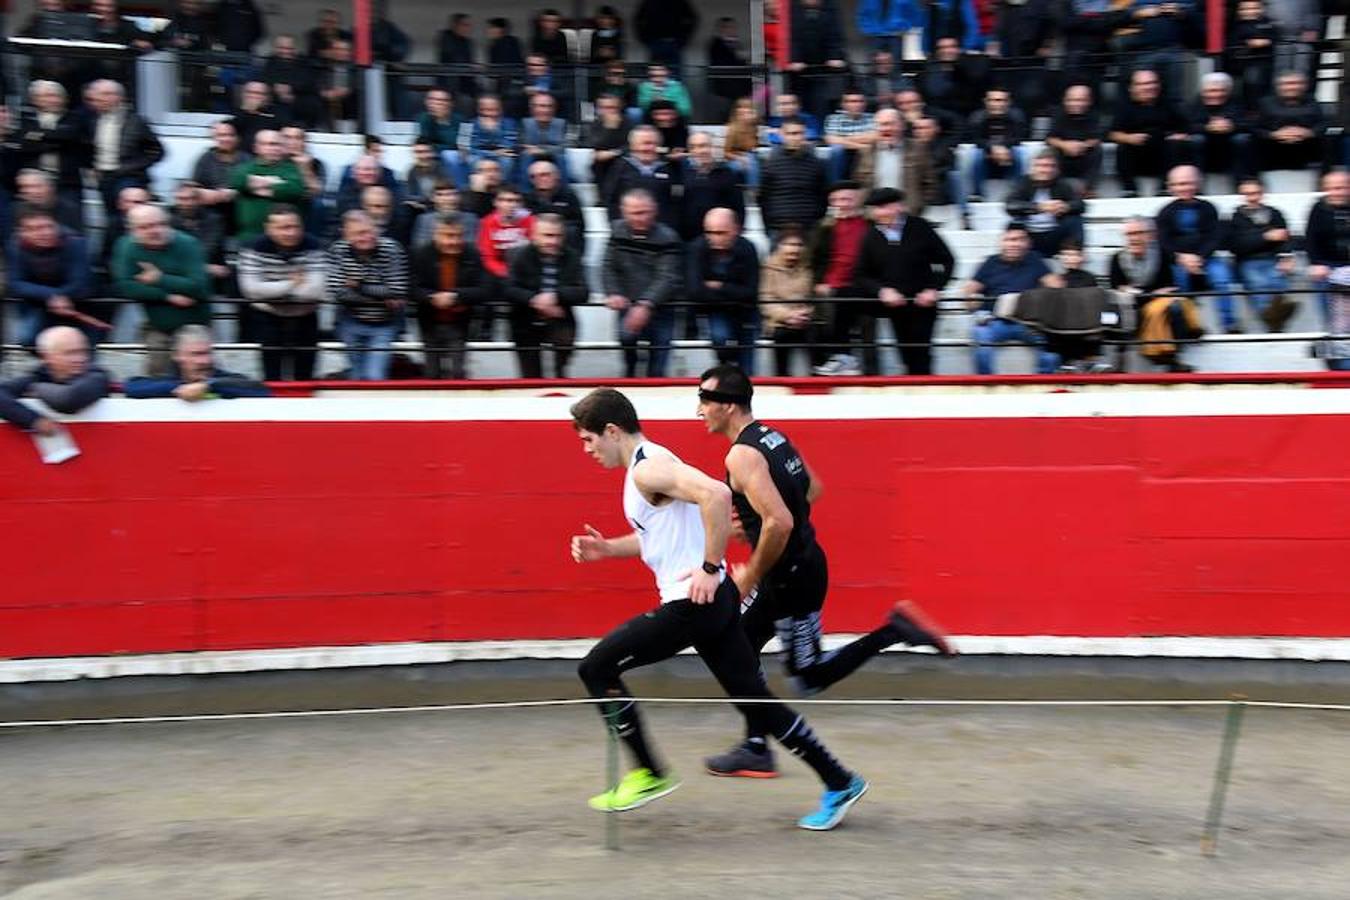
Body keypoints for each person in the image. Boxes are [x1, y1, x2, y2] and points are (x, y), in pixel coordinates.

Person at [568, 387, 868, 829]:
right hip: (717, 600)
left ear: (612, 431)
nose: (587, 450)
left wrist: (708, 567)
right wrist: (607, 549)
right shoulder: (653, 460)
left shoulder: (647, 470)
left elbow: (716, 495)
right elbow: (661, 536)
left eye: (588, 440)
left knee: (595, 668)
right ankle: (839, 780)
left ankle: (648, 772)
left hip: (692, 604)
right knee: (756, 701)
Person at [696, 364, 955, 777]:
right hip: (796, 566)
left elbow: (780, 522)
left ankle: (894, 631)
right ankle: (756, 746)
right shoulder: (773, 437)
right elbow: (811, 490)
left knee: (808, 677)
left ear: (727, 407)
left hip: (791, 578)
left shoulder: (741, 455)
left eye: (705, 401)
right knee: (738, 644)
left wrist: (750, 572)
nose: (699, 411)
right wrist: (763, 521)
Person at [851, 187, 955, 376]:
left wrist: (934, 288)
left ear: (897, 207)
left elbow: (947, 260)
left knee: (921, 354)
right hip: (895, 305)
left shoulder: (920, 227)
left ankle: (924, 391)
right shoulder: (870, 236)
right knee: (905, 354)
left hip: (923, 303)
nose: (879, 213)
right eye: (875, 208)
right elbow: (861, 274)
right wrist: (882, 291)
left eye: (883, 207)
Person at [111, 204, 212, 376]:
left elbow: (198, 287)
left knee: (197, 369)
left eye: (160, 224)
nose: (155, 231)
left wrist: (159, 278)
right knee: (157, 372)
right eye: (145, 227)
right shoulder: (126, 246)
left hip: (193, 323)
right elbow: (126, 286)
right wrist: (167, 296)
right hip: (157, 324)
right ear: (132, 230)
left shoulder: (187, 244)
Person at [238, 205, 327, 381]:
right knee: (272, 377)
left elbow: (316, 290)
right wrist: (291, 284)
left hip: (306, 319)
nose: (291, 233)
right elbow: (251, 290)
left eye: (295, 227)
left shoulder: (315, 246)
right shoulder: (252, 248)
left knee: (306, 378)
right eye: (283, 228)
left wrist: (271, 289)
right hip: (268, 319)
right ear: (268, 228)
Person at [603, 189, 682, 377]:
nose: (639, 218)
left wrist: (646, 304)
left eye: (644, 212)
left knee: (658, 364)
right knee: (626, 344)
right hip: (628, 303)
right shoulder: (616, 231)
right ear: (623, 211)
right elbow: (608, 266)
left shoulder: (668, 237)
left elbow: (667, 277)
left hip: (662, 307)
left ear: (654, 211)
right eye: (634, 213)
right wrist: (614, 292)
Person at [1155, 165, 1239, 333]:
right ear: (1171, 187)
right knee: (1180, 281)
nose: (1184, 188)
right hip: (1179, 260)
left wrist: (1199, 257)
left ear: (1197, 184)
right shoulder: (1165, 212)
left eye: (1187, 183)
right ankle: (1190, 324)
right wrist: (1181, 258)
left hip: (1206, 258)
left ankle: (1229, 324)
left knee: (1222, 277)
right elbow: (1164, 242)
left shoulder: (1209, 208)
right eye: (1179, 184)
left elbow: (1214, 237)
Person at [964, 224, 1058, 375]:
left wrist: (1042, 300)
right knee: (981, 334)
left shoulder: (1035, 260)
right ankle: (987, 384)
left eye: (1020, 239)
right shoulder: (990, 262)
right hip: (996, 321)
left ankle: (1044, 383)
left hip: (1029, 322)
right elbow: (970, 290)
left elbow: (1056, 286)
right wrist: (975, 307)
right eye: (1009, 239)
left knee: (1053, 339)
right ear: (1002, 242)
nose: (1014, 244)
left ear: (1028, 243)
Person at [328, 210, 409, 380]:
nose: (368, 237)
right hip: (350, 322)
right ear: (346, 235)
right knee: (357, 378)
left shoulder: (392, 248)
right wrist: (381, 296)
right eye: (360, 233)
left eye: (372, 231)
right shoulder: (338, 250)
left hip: (384, 324)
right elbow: (338, 293)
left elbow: (397, 290)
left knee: (375, 377)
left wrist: (360, 286)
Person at [504, 213, 585, 378]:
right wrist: (536, 301)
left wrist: (555, 297)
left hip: (560, 319)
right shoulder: (519, 255)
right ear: (534, 235)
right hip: (525, 319)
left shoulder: (572, 257)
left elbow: (583, 292)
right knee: (531, 376)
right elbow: (508, 289)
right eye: (548, 236)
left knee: (561, 370)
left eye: (558, 236)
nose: (553, 241)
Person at [7, 206, 97, 348]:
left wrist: (60, 296)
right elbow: (16, 283)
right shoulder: (16, 245)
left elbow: (80, 283)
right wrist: (51, 296)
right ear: (22, 232)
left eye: (48, 226)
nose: (44, 233)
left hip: (77, 305)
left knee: (80, 350)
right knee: (28, 339)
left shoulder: (74, 242)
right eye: (34, 229)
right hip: (38, 303)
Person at [686, 208, 761, 372]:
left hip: (745, 313)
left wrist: (719, 286)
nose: (714, 238)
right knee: (720, 339)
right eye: (709, 232)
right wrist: (732, 291)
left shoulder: (748, 248)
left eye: (721, 233)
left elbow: (751, 292)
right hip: (716, 311)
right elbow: (695, 291)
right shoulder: (697, 248)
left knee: (748, 368)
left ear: (735, 230)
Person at [411, 219, 488, 379]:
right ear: (436, 236)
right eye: (449, 236)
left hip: (459, 322)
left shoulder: (471, 253)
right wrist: (432, 297)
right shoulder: (421, 253)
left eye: (459, 236)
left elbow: (485, 289)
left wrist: (456, 296)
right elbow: (412, 288)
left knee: (457, 373)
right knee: (431, 373)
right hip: (429, 321)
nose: (455, 241)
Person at [809, 181, 871, 377]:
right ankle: (829, 364)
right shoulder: (824, 227)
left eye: (846, 199)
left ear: (857, 200)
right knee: (816, 316)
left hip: (861, 284)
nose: (841, 204)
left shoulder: (869, 225)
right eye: (835, 200)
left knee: (850, 303)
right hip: (830, 285)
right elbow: (815, 258)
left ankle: (855, 363)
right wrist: (819, 282)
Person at [82, 79, 164, 224]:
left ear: (117, 97)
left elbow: (157, 151)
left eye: (104, 94)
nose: (99, 99)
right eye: (97, 95)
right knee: (111, 220)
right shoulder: (92, 120)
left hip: (128, 177)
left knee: (130, 218)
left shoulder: (136, 121)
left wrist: (132, 166)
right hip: (104, 177)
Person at [0, 326, 109, 434]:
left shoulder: (97, 375)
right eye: (70, 353)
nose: (80, 359)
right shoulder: (38, 376)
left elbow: (70, 400)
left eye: (82, 351)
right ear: (46, 357)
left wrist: (36, 388)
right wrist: (34, 420)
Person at [124, 325, 271, 399]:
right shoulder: (166, 380)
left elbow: (260, 390)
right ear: (177, 356)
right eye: (196, 354)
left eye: (207, 353)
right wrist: (180, 388)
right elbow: (132, 387)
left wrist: (208, 386)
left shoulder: (225, 380)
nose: (204, 361)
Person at [1229, 177, 1297, 333]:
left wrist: (1287, 257)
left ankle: (1275, 321)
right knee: (1259, 285)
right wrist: (1266, 236)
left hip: (1273, 259)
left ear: (1263, 193)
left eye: (1256, 193)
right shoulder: (1236, 217)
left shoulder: (1275, 213)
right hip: (1248, 261)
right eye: (1248, 194)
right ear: (1242, 195)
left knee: (1279, 284)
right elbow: (1237, 245)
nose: (1252, 198)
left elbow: (1285, 238)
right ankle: (1275, 324)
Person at [1107, 70, 1189, 197]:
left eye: (1153, 83)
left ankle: (1165, 188)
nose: (1149, 87)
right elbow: (1111, 134)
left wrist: (1180, 135)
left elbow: (1187, 126)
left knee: (1175, 145)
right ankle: (1130, 190)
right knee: (1122, 148)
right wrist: (1129, 138)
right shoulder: (1124, 107)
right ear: (1132, 88)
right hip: (1136, 157)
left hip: (1162, 157)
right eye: (1143, 84)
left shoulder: (1167, 104)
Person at [1005, 152, 1086, 259]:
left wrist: (1065, 206)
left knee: (1075, 220)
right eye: (1040, 166)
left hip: (1054, 235)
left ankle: (1073, 257)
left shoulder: (1062, 184)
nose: (1045, 170)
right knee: (1013, 224)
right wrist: (1038, 207)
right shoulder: (1023, 182)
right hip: (1030, 236)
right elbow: (1010, 205)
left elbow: (1081, 205)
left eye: (1050, 166)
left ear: (1056, 169)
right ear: (1033, 168)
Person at [230, 130, 306, 245]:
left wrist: (257, 185)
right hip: (251, 235)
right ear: (256, 148)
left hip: (286, 235)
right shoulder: (245, 168)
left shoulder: (291, 169)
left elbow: (295, 190)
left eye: (277, 144)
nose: (273, 148)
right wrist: (276, 183)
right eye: (267, 144)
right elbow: (239, 182)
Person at [759, 118, 828, 238]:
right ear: (782, 135)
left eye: (800, 133)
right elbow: (763, 198)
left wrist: (816, 221)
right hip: (778, 229)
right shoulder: (770, 164)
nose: (796, 137)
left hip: (808, 228)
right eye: (791, 133)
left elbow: (822, 197)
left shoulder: (816, 163)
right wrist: (769, 227)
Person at [679, 132, 744, 242]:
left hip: (720, 237)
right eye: (693, 147)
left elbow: (738, 207)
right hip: (688, 239)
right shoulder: (681, 174)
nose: (699, 151)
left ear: (712, 147)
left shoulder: (727, 174)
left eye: (703, 145)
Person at [965, 87, 1027, 201]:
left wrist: (1003, 148)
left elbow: (1018, 138)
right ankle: (977, 193)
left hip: (1008, 155)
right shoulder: (976, 118)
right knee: (976, 154)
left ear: (1008, 102)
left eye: (1001, 100)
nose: (996, 104)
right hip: (986, 156)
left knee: (1019, 152)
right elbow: (976, 140)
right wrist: (992, 148)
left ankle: (1018, 193)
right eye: (992, 100)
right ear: (986, 101)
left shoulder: (1017, 116)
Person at [1046, 84, 1104, 196]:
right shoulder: (1058, 114)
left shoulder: (1094, 115)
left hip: (1083, 157)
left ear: (1089, 101)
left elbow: (1097, 138)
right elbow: (1049, 139)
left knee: (1097, 150)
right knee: (1053, 151)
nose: (1076, 104)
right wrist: (1065, 145)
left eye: (1080, 100)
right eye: (1072, 100)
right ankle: (1058, 189)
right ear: (1065, 100)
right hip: (1063, 159)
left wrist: (1082, 146)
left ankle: (1087, 190)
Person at [412, 180, 479, 249]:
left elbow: (472, 246)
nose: (447, 199)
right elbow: (419, 246)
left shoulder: (470, 219)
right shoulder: (424, 220)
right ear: (433, 198)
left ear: (458, 197)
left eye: (451, 194)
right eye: (440, 195)